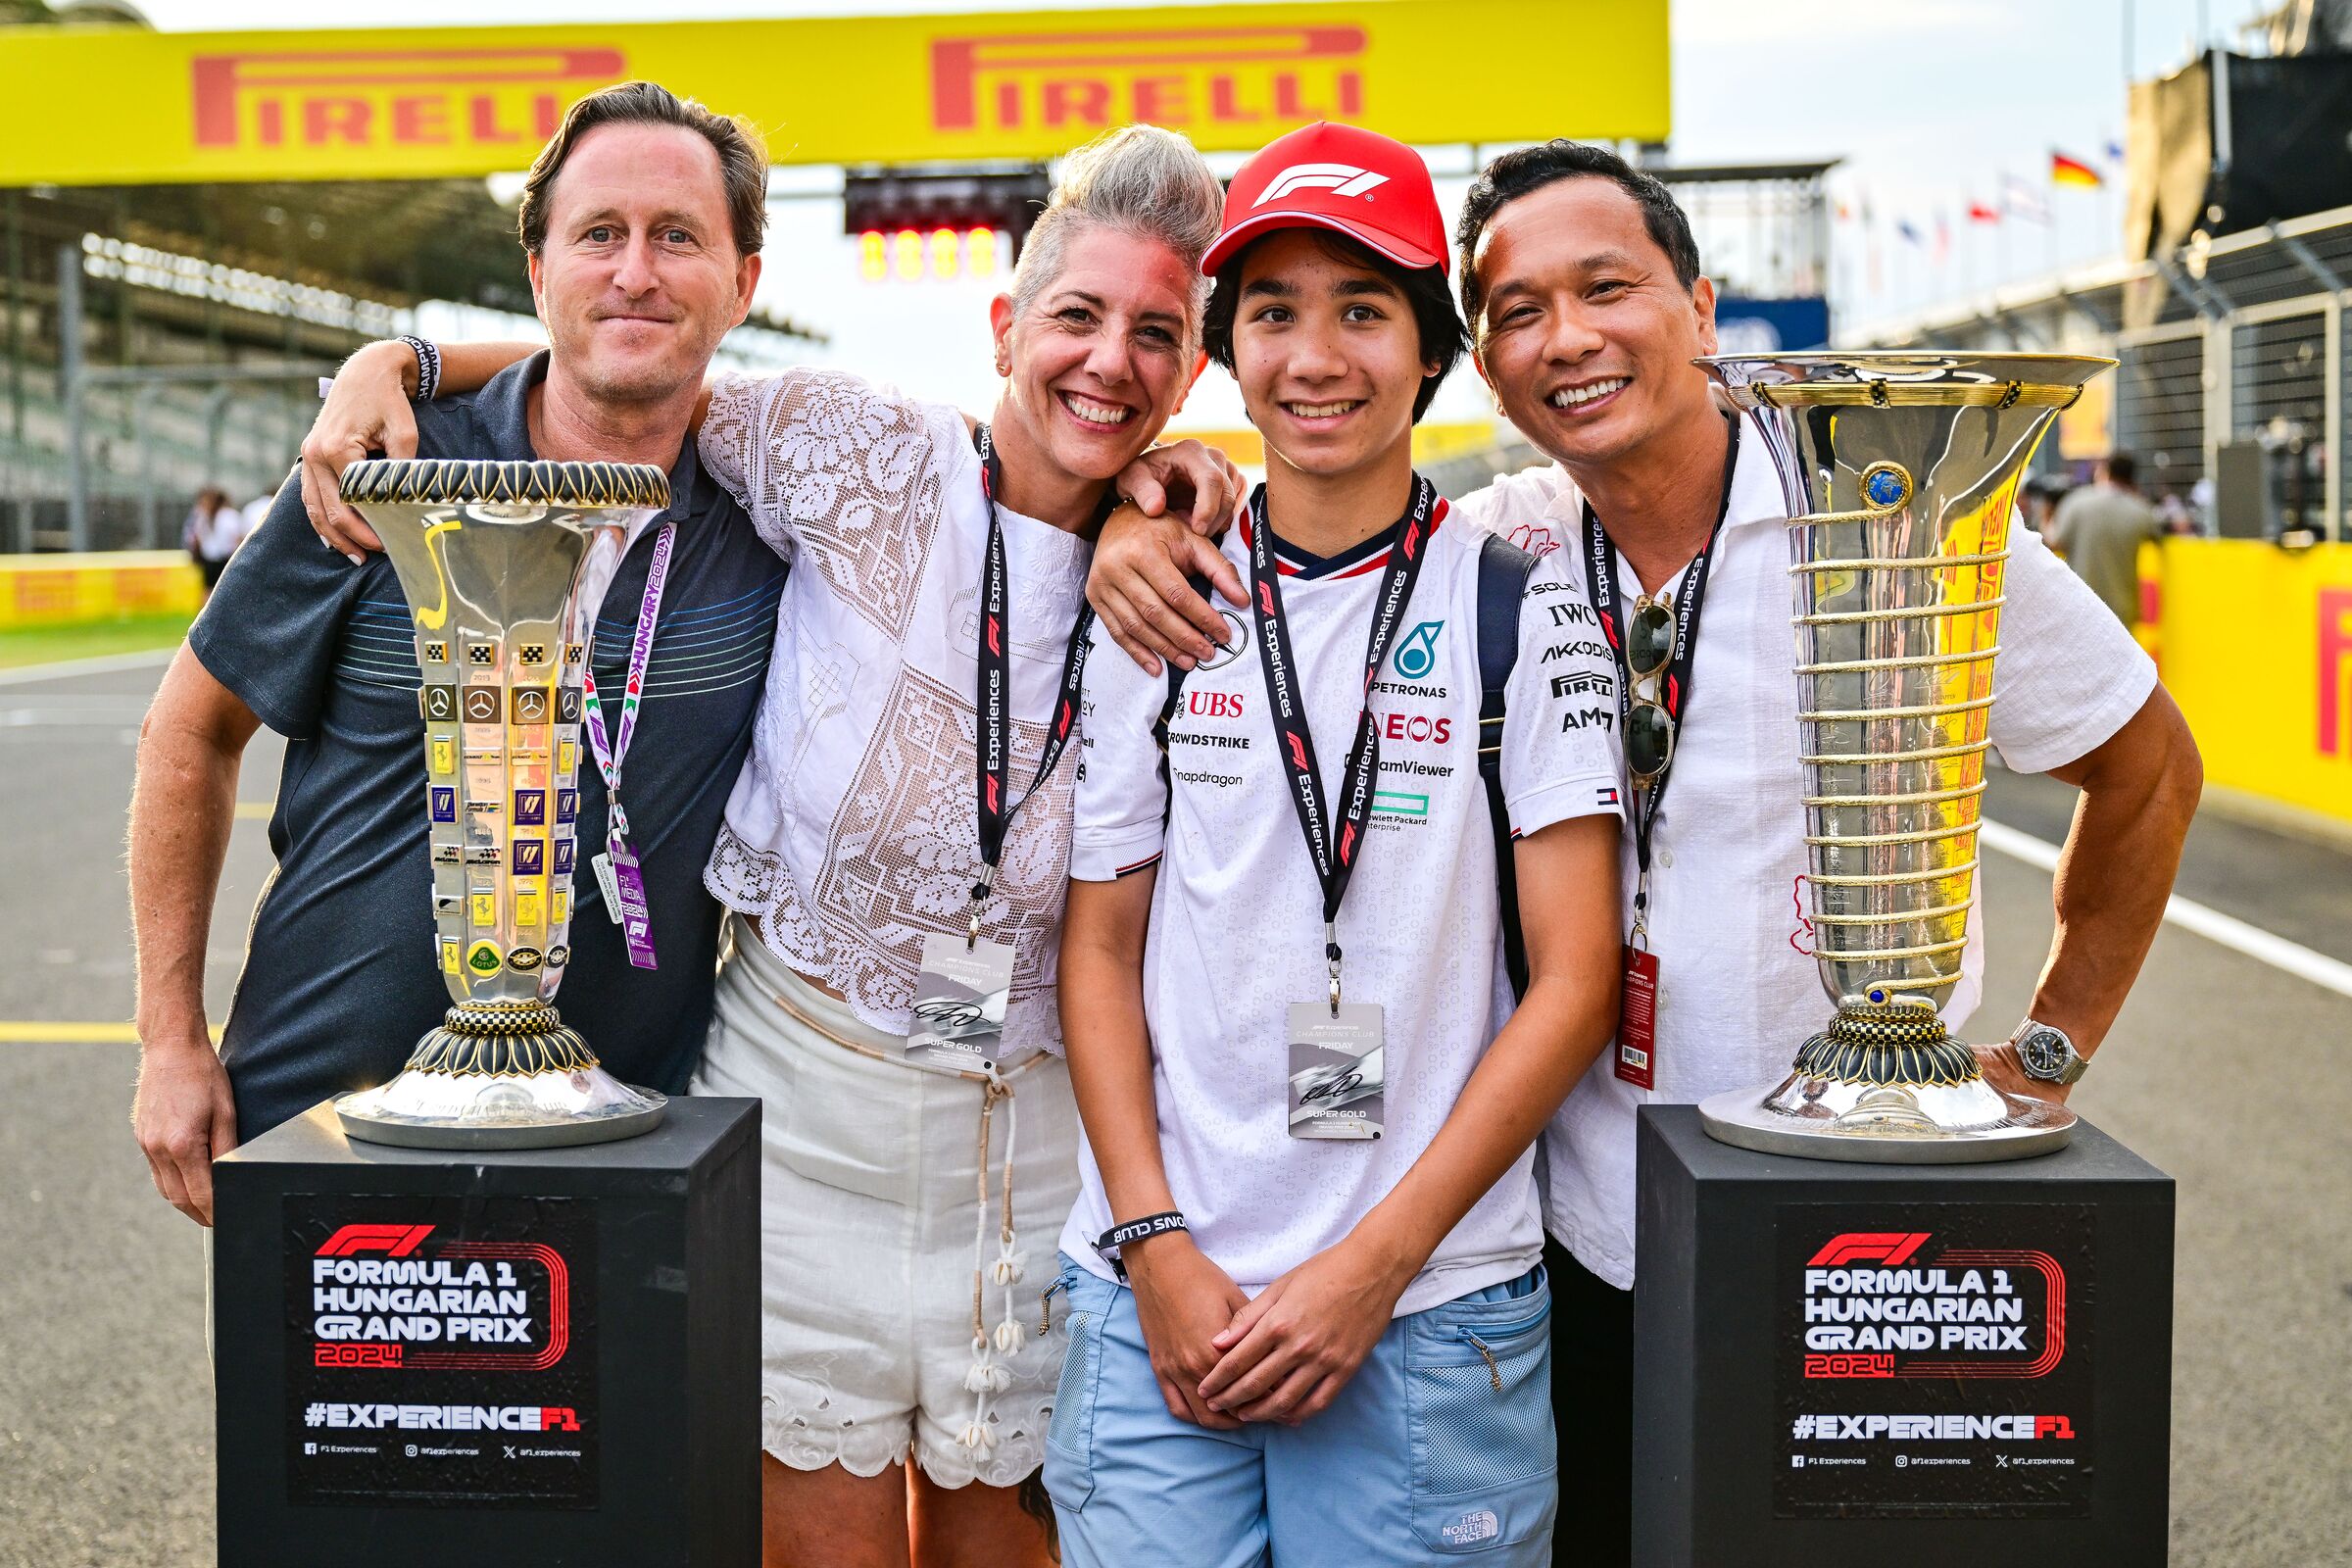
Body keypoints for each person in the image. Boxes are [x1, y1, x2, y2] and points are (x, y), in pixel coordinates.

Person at [1081, 138, 2204, 1564]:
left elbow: (2150, 769)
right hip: (1573, 1229)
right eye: (1521, 311)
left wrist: (2048, 1052)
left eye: (1605, 288)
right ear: (1480, 361)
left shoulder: (1892, 524)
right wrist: (1150, 505)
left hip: (1837, 1223)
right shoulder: (1507, 544)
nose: (1569, 338)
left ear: (1700, 306)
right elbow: (1318, 517)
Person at [296, 124, 1234, 1568]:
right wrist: (401, 367)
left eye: (1156, 334)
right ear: (1004, 324)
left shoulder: (1186, 562)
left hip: (1041, 1139)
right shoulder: (840, 445)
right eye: (1075, 317)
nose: (1108, 360)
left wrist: (1161, 499)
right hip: (806, 1116)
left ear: (1191, 371)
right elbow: (625, 356)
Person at [1049, 122, 1623, 1568]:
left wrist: (1374, 1269)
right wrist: (1156, 1247)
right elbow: (1099, 947)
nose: (1317, 357)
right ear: (1227, 356)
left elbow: (1577, 982)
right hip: (1157, 1292)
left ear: (1431, 352)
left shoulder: (1522, 606)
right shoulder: (1160, 601)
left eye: (1364, 311)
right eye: (1276, 314)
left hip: (1434, 1307)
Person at [130, 81, 786, 1231]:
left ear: (742, 283)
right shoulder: (376, 468)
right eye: (599, 235)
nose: (635, 270)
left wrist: (1142, 489)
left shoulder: (773, 512)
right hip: (326, 1123)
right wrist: (169, 1038)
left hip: (617, 1137)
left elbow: (1012, 456)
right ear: (539, 274)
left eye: (677, 236)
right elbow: (191, 730)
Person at [2049, 452, 2164, 627]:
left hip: (2081, 603)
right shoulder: (2141, 512)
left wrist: (2045, 516)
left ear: (2104, 472)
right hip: (2123, 609)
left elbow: (2054, 542)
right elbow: (2162, 539)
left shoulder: (2076, 502)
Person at [180, 486, 240, 594]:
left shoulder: (203, 515)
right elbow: (236, 537)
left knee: (208, 590)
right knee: (224, 590)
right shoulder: (227, 515)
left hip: (211, 558)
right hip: (223, 558)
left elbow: (195, 537)